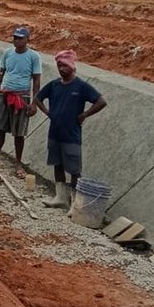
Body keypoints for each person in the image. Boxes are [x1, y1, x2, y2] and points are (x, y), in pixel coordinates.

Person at [35, 49, 107, 209]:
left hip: (71, 135)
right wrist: (47, 112)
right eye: (59, 66)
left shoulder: (80, 86)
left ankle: (75, 202)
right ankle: (61, 197)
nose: (61, 69)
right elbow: (38, 98)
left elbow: (101, 101)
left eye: (64, 66)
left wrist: (85, 114)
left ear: (72, 66)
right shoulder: (54, 85)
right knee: (57, 164)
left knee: (74, 169)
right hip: (55, 133)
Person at [0, 27, 41, 178]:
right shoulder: (7, 53)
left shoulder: (33, 56)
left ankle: (18, 164)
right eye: (15, 38)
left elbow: (36, 80)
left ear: (27, 39)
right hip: (5, 95)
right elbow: (0, 74)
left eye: (20, 38)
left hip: (22, 98)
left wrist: (34, 103)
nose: (17, 41)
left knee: (19, 133)